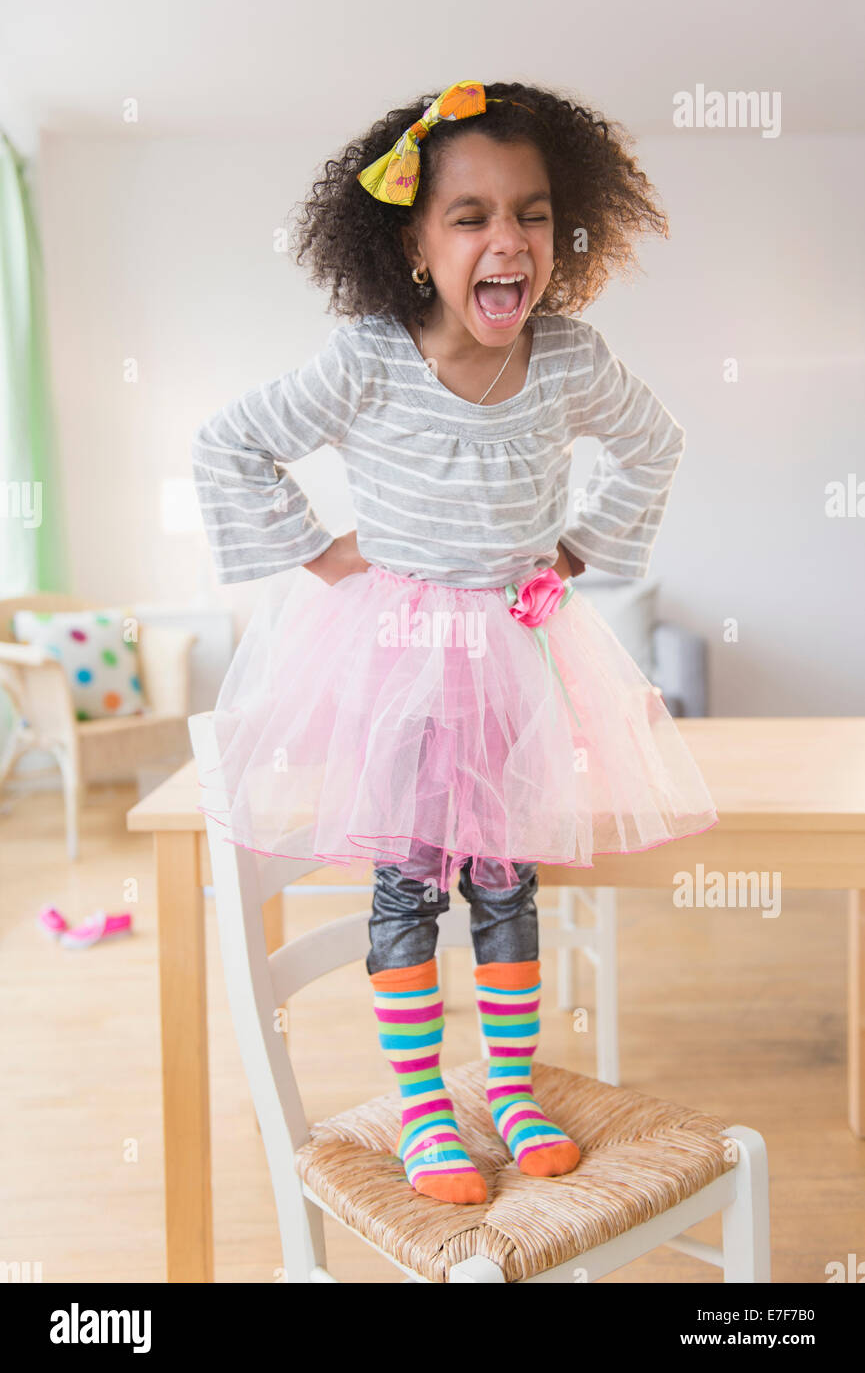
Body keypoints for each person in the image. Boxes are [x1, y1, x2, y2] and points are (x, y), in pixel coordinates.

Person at [191, 79, 719, 1205]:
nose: (506, 240)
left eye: (530, 213)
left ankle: (511, 1089)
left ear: (562, 233)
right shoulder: (369, 359)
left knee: (507, 875)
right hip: (392, 657)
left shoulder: (569, 358)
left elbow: (654, 444)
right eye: (469, 215)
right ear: (415, 246)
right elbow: (232, 446)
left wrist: (573, 554)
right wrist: (329, 555)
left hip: (515, 663)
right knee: (404, 883)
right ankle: (426, 1105)